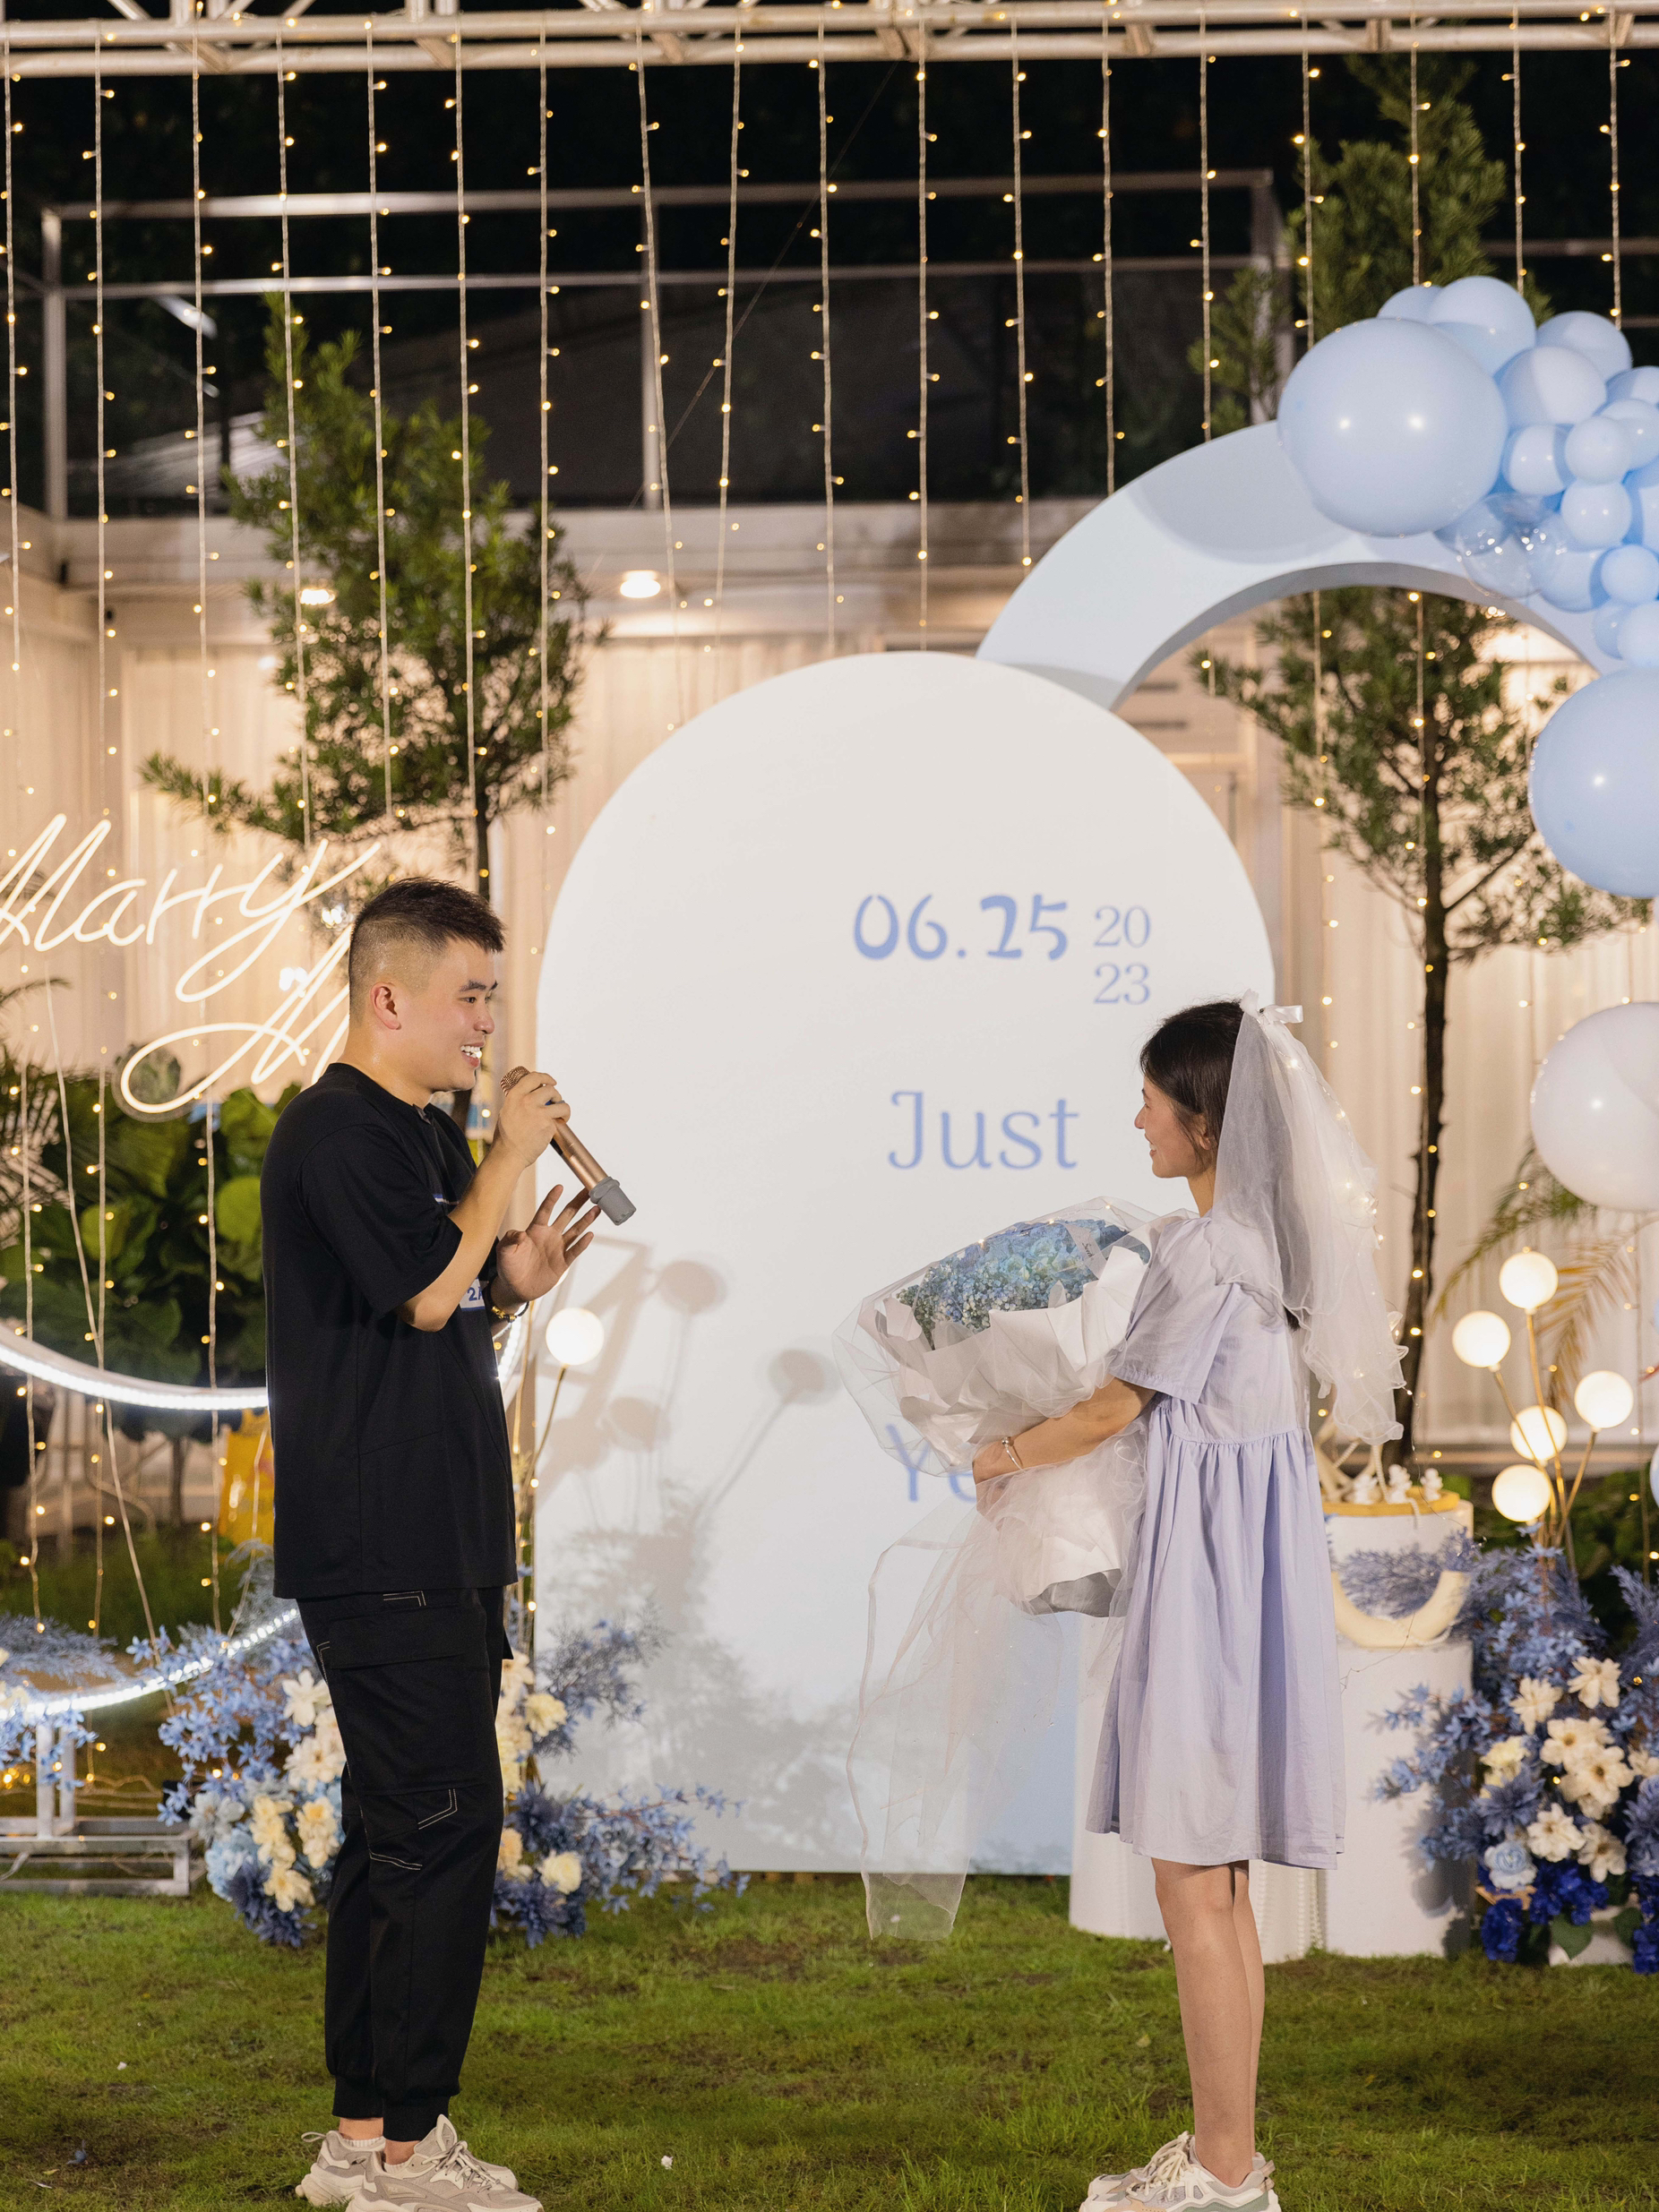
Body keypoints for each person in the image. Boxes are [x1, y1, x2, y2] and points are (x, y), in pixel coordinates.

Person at [971, 998, 1402, 2212]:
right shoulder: (1260, 1245)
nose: (1139, 1120)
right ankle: (1230, 2157)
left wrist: (1003, 1453)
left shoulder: (1210, 1252)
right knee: (1216, 1877)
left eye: (1154, 1101)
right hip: (1246, 1569)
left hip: (1211, 1580)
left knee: (1190, 1877)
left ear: (1207, 1123)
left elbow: (1119, 1404)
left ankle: (1223, 2171)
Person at [262, 878, 597, 2212]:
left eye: (492, 997)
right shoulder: (338, 1129)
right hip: (383, 1537)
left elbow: (444, 1287)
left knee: (397, 1832)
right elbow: (414, 1295)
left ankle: (362, 2138)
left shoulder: (413, 1132)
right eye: (469, 996)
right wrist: (506, 1159)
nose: (486, 1025)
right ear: (387, 996)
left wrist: (508, 1285)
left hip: (430, 1534)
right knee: (444, 1828)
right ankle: (409, 2150)